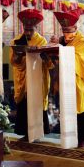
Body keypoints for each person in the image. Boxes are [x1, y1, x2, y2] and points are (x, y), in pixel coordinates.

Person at [52, 9, 84, 147]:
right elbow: (60, 60)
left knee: (82, 118)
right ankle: (69, 140)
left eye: (69, 31)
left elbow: (78, 60)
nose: (66, 34)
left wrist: (59, 47)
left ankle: (81, 143)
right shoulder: (64, 41)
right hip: (67, 85)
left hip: (81, 86)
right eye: (64, 30)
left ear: (76, 28)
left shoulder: (82, 42)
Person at [9, 9, 53, 138]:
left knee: (36, 106)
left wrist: (43, 55)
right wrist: (19, 55)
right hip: (23, 79)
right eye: (26, 30)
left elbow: (49, 63)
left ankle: (37, 133)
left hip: (37, 79)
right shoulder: (16, 41)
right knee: (24, 106)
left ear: (35, 28)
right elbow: (13, 62)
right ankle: (25, 133)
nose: (28, 33)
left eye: (31, 30)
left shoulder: (42, 41)